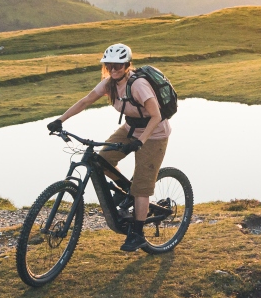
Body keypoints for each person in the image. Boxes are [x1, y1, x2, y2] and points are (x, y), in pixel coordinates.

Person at [48, 43, 170, 252]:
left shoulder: (138, 85)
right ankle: (124, 193)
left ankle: (138, 234)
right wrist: (61, 120)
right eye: (110, 65)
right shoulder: (109, 84)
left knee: (141, 186)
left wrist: (140, 142)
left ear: (127, 65)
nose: (114, 70)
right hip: (130, 128)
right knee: (102, 161)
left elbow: (156, 116)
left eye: (118, 66)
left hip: (154, 134)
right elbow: (86, 101)